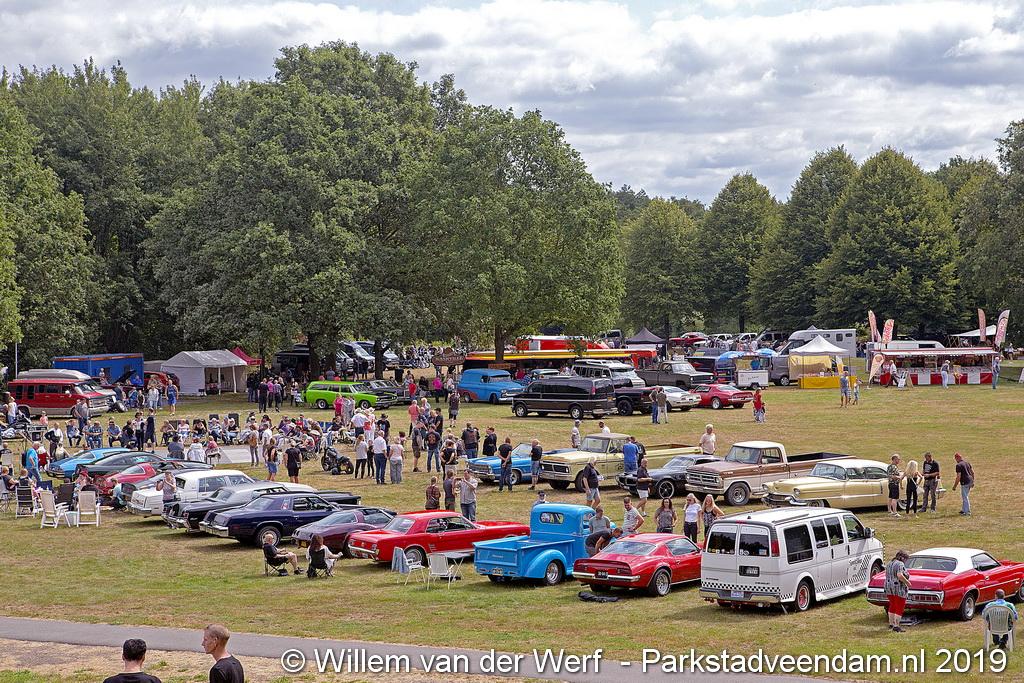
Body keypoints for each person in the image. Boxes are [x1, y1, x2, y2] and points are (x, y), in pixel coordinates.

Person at [885, 550, 912, 632]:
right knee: (900, 606)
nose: (906, 561)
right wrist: (907, 582)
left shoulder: (889, 563)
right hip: (898, 588)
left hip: (888, 587)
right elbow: (899, 575)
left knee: (892, 605)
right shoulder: (900, 564)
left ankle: (891, 624)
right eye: (906, 559)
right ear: (902, 558)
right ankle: (896, 626)